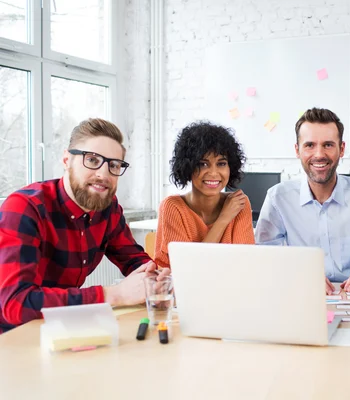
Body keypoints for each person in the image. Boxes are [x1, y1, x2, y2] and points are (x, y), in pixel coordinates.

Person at [0, 118, 168, 334]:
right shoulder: (25, 207)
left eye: (114, 165)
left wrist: (155, 278)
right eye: (92, 159)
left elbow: (133, 260)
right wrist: (113, 294)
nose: (103, 174)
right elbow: (16, 304)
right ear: (66, 159)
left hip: (62, 327)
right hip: (12, 336)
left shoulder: (107, 207)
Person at [255, 108, 350, 294]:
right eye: (309, 145)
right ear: (297, 150)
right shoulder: (278, 199)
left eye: (328, 145)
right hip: (301, 292)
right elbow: (265, 258)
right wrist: (298, 275)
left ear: (341, 149)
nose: (319, 154)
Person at [155, 121, 254, 269]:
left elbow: (243, 265)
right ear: (187, 167)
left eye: (221, 164)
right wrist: (224, 219)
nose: (213, 173)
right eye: (203, 164)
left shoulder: (239, 204)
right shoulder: (172, 207)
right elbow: (187, 271)